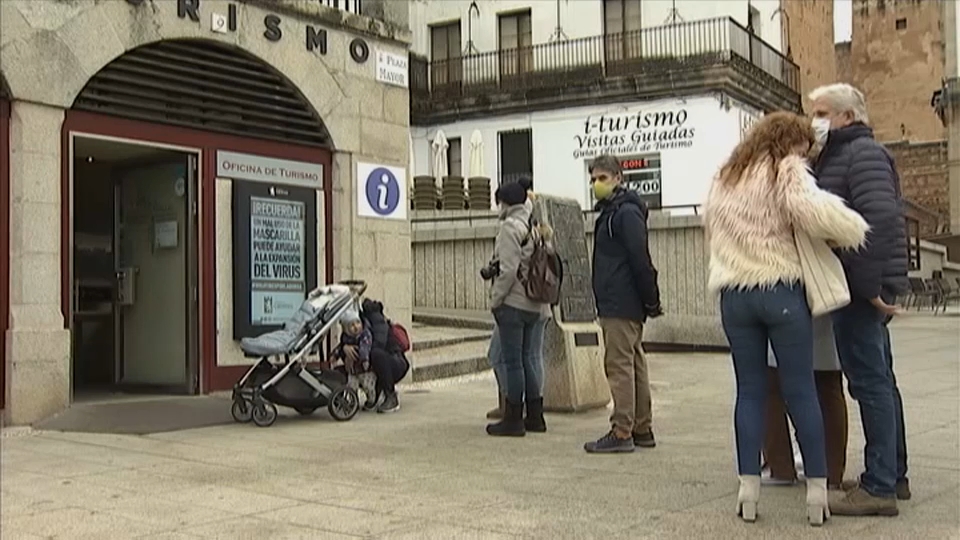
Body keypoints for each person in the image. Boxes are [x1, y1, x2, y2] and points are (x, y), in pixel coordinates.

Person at [703, 111, 869, 525]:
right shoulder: (785, 167)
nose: (806, 154)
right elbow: (814, 210)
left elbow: (710, 225)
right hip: (780, 290)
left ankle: (748, 491)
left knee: (749, 392)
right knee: (801, 390)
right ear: (791, 142)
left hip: (734, 294)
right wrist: (855, 227)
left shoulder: (725, 175)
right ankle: (816, 495)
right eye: (804, 148)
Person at [809, 83, 910, 515]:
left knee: (870, 385)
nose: (815, 120)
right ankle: (893, 475)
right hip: (856, 287)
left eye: (822, 112)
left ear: (848, 117)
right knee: (880, 383)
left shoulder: (861, 155)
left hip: (858, 291)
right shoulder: (841, 155)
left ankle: (880, 485)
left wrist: (870, 288)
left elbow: (881, 218)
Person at [583, 155, 662, 454]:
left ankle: (622, 430)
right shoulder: (618, 211)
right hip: (624, 299)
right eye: (593, 180)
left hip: (620, 300)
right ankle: (642, 427)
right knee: (634, 361)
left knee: (619, 365)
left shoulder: (623, 214)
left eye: (602, 178)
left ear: (618, 178)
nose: (596, 185)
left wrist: (650, 298)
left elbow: (640, 259)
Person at [484, 176, 552, 432]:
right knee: (532, 358)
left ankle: (513, 419)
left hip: (514, 303)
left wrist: (496, 299)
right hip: (537, 303)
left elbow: (508, 270)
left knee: (513, 362)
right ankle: (535, 416)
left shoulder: (510, 228)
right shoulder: (536, 227)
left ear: (504, 202)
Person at [763, 316, 847, 489]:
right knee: (828, 383)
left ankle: (780, 467)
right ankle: (831, 472)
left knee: (769, 383)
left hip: (786, 305)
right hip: (827, 304)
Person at [361, 298, 409, 414]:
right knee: (375, 356)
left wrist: (361, 351)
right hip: (392, 361)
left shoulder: (377, 322)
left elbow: (378, 344)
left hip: (397, 363)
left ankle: (390, 395)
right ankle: (376, 396)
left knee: (376, 354)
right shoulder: (372, 320)